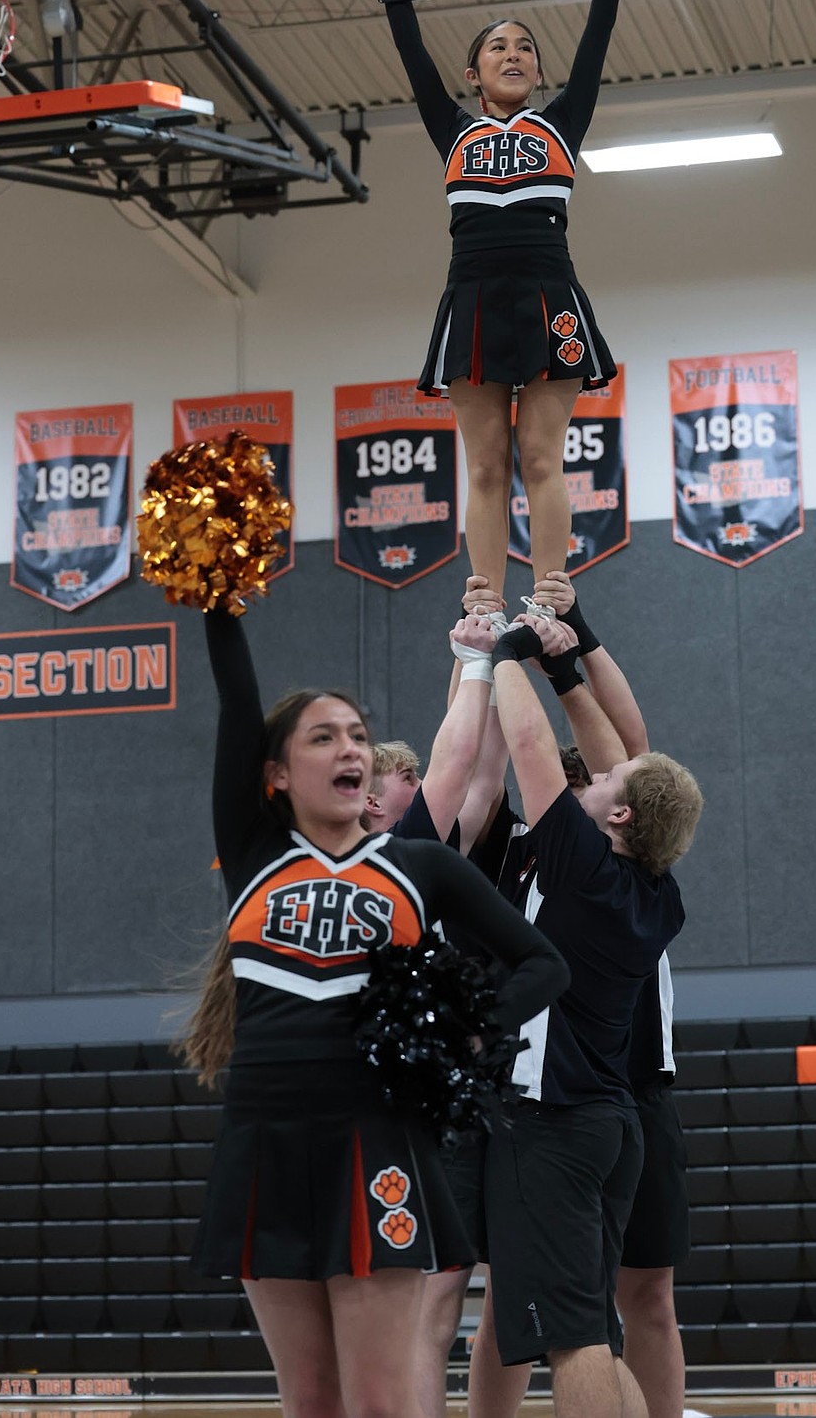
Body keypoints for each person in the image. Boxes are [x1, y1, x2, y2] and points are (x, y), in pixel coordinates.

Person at [184, 604, 569, 1418]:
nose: (350, 747)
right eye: (322, 737)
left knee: (382, 1403)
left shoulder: (419, 865)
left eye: (356, 734)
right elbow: (235, 700)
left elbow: (544, 965)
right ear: (277, 773)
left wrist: (463, 1031)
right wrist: (219, 598)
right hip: (266, 1141)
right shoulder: (255, 853)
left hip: (377, 1142)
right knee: (313, 1401)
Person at [364, 0, 635, 612]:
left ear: (538, 76)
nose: (513, 54)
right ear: (472, 74)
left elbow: (596, 45)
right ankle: (484, 599)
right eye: (497, 46)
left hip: (550, 294)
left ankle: (551, 597)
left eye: (525, 48)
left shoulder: (561, 124)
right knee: (485, 465)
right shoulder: (453, 131)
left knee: (543, 457)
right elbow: (410, 52)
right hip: (474, 297)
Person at [472, 611, 702, 1418]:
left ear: (618, 819)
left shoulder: (577, 867)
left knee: (571, 1338)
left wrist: (508, 655)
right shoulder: (657, 892)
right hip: (610, 1125)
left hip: (555, 1122)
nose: (603, 775)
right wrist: (569, 669)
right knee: (593, 1331)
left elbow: (534, 750)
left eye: (604, 787)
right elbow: (626, 767)